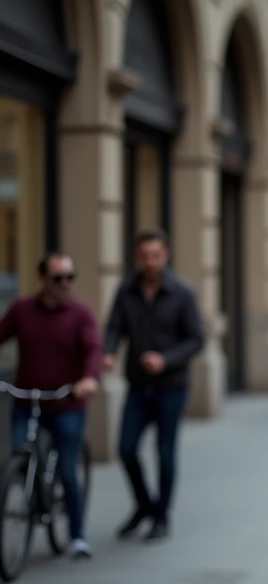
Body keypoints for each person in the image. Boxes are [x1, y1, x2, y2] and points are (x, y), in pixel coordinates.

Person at [104, 230, 205, 542]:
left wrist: (165, 359)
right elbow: (114, 326)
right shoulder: (126, 289)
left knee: (165, 453)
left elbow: (196, 339)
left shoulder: (183, 293)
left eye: (155, 256)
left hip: (171, 386)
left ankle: (161, 517)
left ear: (166, 256)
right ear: (138, 257)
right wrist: (108, 351)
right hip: (137, 384)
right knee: (125, 449)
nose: (150, 262)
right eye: (144, 256)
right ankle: (144, 505)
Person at [0, 253, 101, 559]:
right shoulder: (22, 310)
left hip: (66, 403)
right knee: (19, 457)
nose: (65, 283)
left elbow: (93, 349)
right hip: (26, 399)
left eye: (70, 277)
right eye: (58, 278)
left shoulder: (81, 313)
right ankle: (27, 500)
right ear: (42, 279)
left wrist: (89, 378)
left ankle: (77, 536)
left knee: (68, 471)